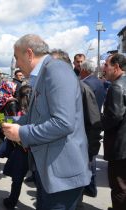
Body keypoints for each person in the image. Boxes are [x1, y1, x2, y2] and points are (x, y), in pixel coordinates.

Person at [2, 34, 91, 210]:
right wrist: (5, 121)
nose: (17, 64)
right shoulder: (45, 73)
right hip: (49, 172)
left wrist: (21, 133)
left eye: (17, 58)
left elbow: (63, 123)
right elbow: (36, 116)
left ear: (29, 53)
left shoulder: (56, 70)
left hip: (62, 175)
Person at [51, 49, 102, 199]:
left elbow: (94, 121)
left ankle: (86, 190)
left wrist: (91, 149)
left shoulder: (82, 86)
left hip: (81, 141)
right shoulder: (71, 83)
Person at [102, 53, 126, 210]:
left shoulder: (117, 86)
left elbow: (114, 116)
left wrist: (99, 122)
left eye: (106, 65)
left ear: (116, 67)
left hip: (120, 146)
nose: (104, 69)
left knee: (119, 187)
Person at [2, 84, 31, 209]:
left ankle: (12, 201)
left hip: (24, 149)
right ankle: (12, 200)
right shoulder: (37, 109)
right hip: (30, 149)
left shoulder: (25, 111)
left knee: (17, 178)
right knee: (19, 178)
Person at [0, 81, 17, 177]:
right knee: (14, 148)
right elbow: (14, 117)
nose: (14, 89)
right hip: (8, 125)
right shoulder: (12, 101)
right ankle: (11, 169)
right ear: (9, 88)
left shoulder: (0, 97)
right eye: (13, 87)